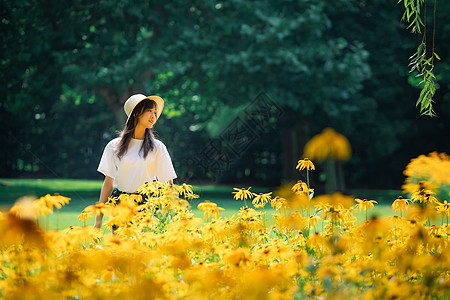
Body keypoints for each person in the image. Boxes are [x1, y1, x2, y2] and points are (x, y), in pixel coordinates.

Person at [94, 94, 177, 229]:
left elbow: (168, 185)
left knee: (144, 249)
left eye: (155, 112)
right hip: (121, 205)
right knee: (121, 249)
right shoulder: (113, 146)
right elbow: (108, 184)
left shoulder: (158, 147)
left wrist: (171, 218)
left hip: (147, 206)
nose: (153, 116)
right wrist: (98, 220)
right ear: (136, 114)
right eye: (149, 111)